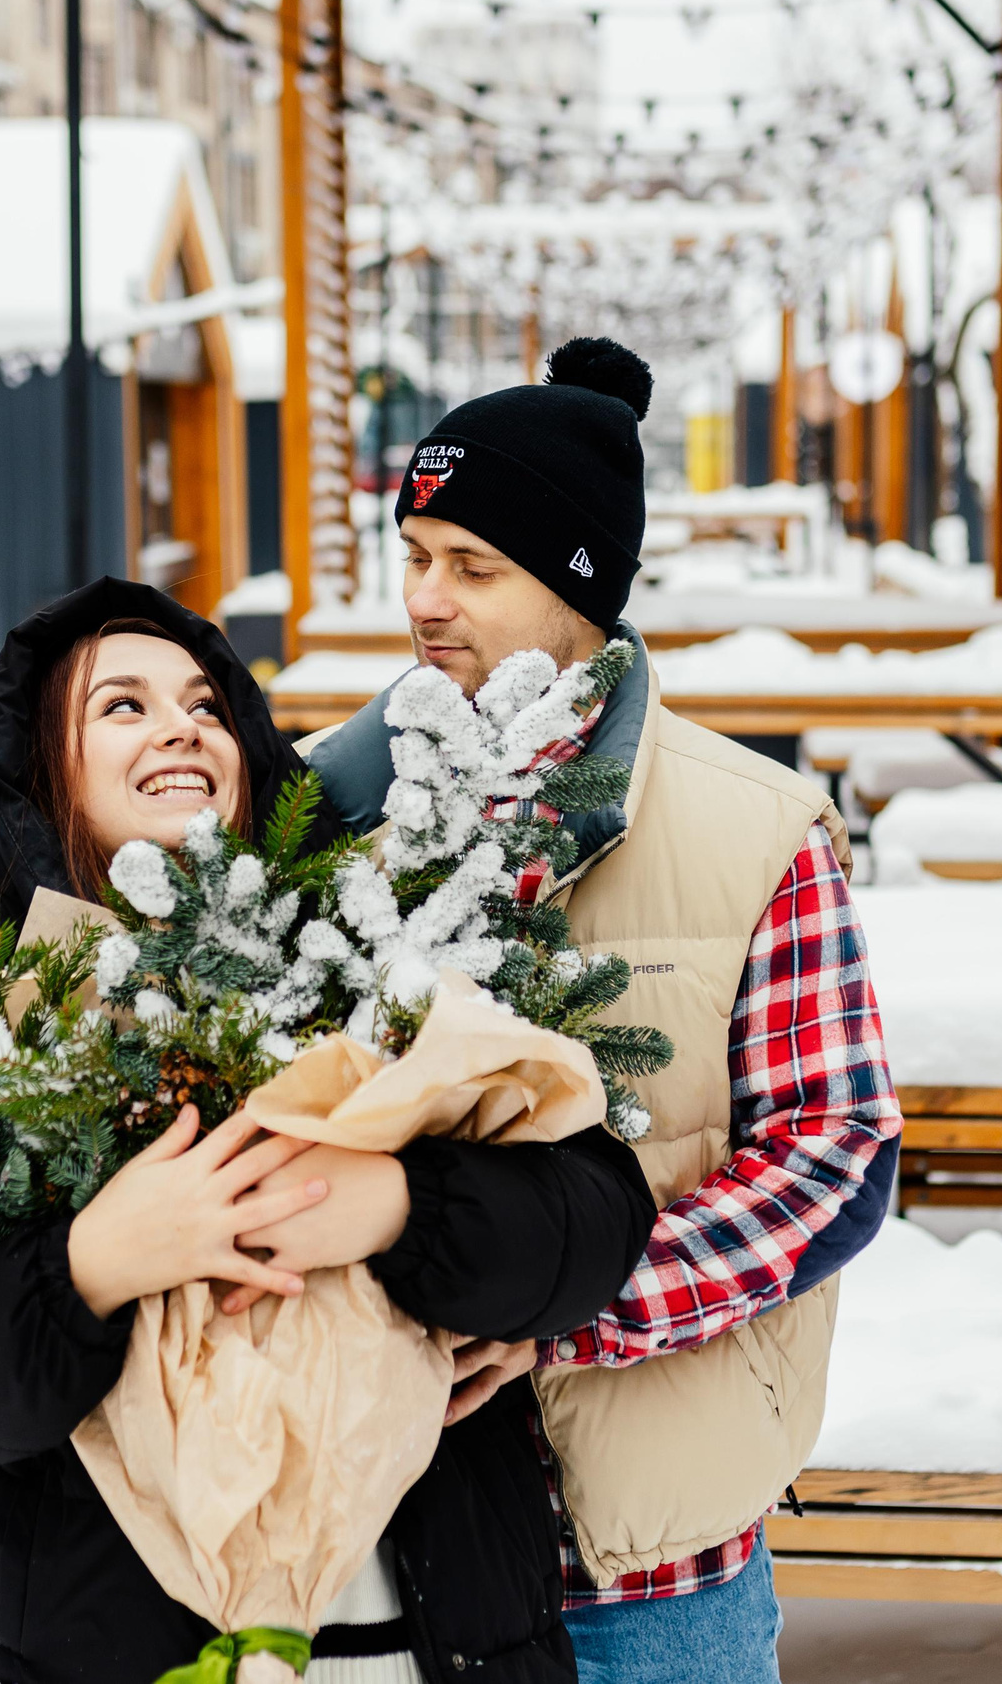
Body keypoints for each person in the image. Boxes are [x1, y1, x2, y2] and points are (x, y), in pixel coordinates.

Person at [0, 578, 658, 1684]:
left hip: (435, 1651)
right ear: (45, 772)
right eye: (122, 706)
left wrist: (406, 1206)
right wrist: (93, 1262)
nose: (180, 726)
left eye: (206, 706)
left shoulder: (390, 951)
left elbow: (597, 1216)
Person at [304, 341, 906, 1684]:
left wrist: (568, 1305)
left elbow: (834, 1153)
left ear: (575, 584)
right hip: (377, 1544)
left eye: (472, 566)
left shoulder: (755, 830)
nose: (423, 600)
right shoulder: (328, 812)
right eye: (415, 556)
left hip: (644, 1565)